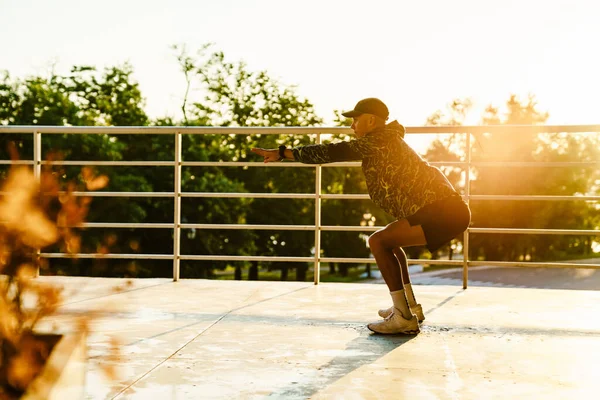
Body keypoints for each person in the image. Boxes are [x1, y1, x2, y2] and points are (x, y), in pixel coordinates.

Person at [251, 98, 471, 334]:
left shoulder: (379, 140)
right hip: (442, 211)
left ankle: (403, 317)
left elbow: (333, 151)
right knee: (391, 243)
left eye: (355, 120)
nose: (352, 126)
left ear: (370, 120)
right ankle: (409, 308)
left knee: (378, 241)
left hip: (444, 212)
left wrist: (284, 153)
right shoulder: (387, 141)